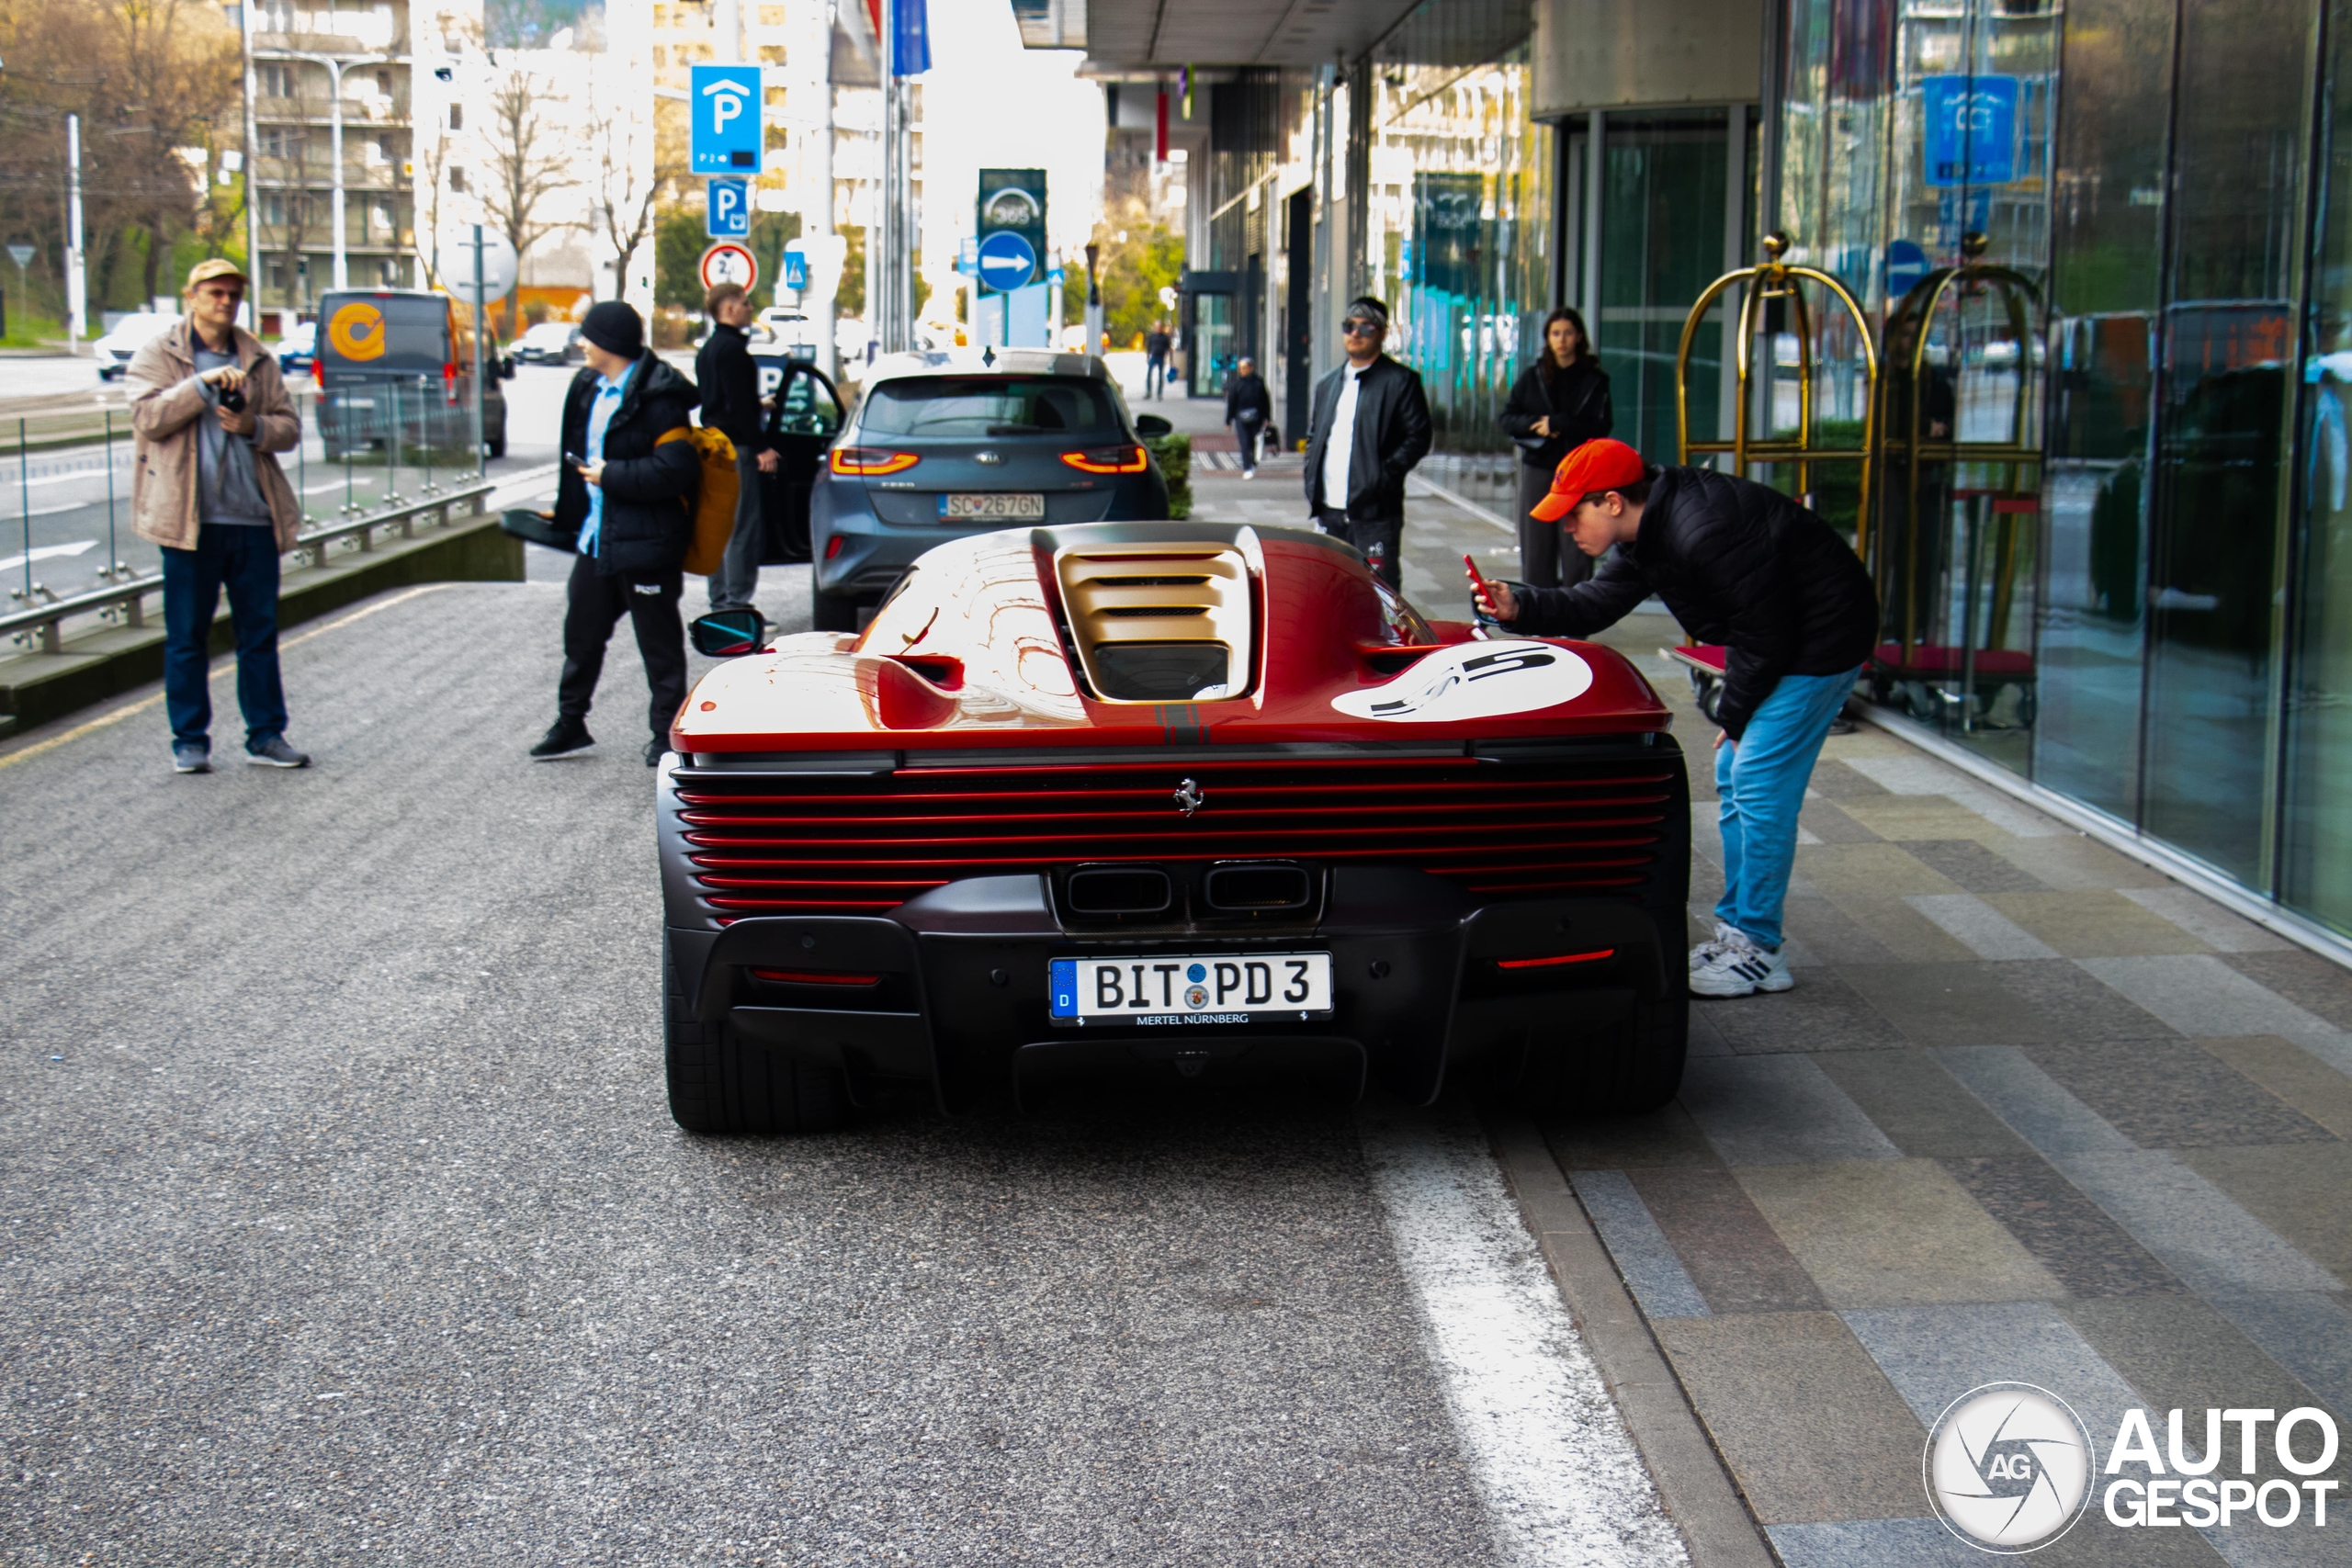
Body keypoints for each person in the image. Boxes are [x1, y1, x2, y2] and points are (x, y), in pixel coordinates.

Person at [1468, 438, 1876, 999]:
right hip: (1782, 637)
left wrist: (1733, 717)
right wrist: (1520, 604)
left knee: (1755, 780)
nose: (1565, 528)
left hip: (1821, 640)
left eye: (1572, 512)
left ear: (1612, 501)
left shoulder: (1700, 528)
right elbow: (1596, 603)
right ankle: (1741, 931)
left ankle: (1757, 949)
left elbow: (1765, 636)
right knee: (1739, 774)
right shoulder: (1648, 531)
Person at [128, 257, 310, 773]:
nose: (225, 301)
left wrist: (253, 425)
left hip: (252, 517)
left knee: (259, 635)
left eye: (233, 293)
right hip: (190, 522)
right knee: (187, 636)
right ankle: (190, 740)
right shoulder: (159, 354)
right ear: (191, 296)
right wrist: (201, 386)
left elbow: (289, 428)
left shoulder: (258, 358)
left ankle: (267, 736)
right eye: (214, 292)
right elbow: (147, 417)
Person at [529, 300, 703, 768]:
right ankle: (571, 722)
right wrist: (567, 514)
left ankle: (667, 735)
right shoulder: (588, 386)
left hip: (647, 541)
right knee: (581, 634)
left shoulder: (659, 398)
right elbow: (574, 459)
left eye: (587, 336)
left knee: (658, 641)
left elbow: (676, 470)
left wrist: (611, 477)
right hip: (597, 537)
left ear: (609, 343)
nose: (581, 343)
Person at [1302, 296, 1432, 588]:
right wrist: (1311, 477)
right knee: (1331, 590)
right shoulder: (1328, 383)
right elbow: (1315, 437)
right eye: (1349, 326)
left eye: (1366, 327)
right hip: (1329, 510)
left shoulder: (1401, 382)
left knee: (1379, 594)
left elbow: (1419, 437)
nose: (1356, 334)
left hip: (1375, 512)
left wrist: (1381, 476)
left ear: (1383, 333)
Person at [1498, 306, 1611, 589]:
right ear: (1547, 338)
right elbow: (1507, 418)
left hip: (1579, 471)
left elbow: (1601, 426)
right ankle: (1537, 615)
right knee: (1536, 545)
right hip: (1540, 468)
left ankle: (1577, 615)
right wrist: (1538, 423)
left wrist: (1562, 423)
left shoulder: (1594, 380)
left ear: (1579, 337)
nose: (1562, 340)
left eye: (1568, 333)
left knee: (1577, 546)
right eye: (1555, 333)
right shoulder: (1533, 376)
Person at [693, 281, 778, 616]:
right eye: (744, 303)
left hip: (712, 448)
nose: (749, 308)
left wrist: (758, 405)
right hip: (737, 449)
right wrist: (762, 448)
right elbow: (739, 409)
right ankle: (738, 606)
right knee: (743, 530)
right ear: (728, 309)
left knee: (719, 527)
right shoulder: (735, 353)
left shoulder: (709, 350)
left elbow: (721, 403)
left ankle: (719, 604)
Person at [1224, 356, 1272, 477]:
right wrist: (1228, 421)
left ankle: (1253, 462)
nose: (1241, 371)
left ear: (1251, 368)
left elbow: (1265, 401)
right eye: (1240, 368)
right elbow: (1232, 403)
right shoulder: (1237, 385)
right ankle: (1247, 468)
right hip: (1241, 418)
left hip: (1257, 418)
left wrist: (1267, 417)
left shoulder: (1259, 383)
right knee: (1244, 443)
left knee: (1253, 442)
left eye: (1244, 368)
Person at [1143, 320, 1171, 400]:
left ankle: (1159, 394)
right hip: (1153, 356)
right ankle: (1148, 392)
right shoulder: (1152, 336)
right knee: (1149, 374)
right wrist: (1147, 356)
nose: (1158, 329)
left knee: (1160, 376)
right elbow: (1149, 347)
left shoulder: (1165, 337)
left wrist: (1170, 359)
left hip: (1161, 357)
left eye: (1159, 327)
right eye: (1157, 327)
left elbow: (1168, 348)